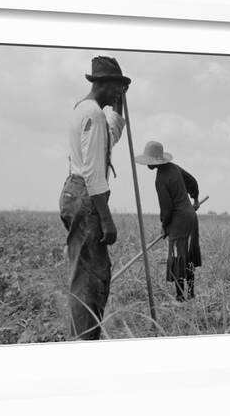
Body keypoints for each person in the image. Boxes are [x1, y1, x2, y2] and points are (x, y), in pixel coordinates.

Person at [59, 56, 130, 340]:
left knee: (86, 274)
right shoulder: (93, 114)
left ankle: (83, 338)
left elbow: (109, 138)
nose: (117, 93)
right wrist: (106, 219)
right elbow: (93, 172)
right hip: (87, 196)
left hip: (73, 191)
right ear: (101, 83)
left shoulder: (86, 110)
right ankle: (84, 343)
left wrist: (120, 106)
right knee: (91, 279)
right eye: (115, 87)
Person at [135, 141, 202, 302]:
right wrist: (195, 198)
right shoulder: (174, 167)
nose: (148, 164)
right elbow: (192, 181)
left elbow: (167, 209)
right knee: (188, 255)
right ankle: (191, 294)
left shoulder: (160, 179)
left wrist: (165, 226)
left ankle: (180, 298)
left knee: (178, 256)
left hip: (180, 220)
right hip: (191, 216)